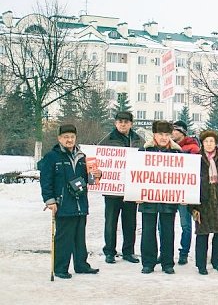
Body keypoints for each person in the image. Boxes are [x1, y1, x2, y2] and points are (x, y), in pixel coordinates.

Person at [39, 124, 102, 279]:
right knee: (63, 237)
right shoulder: (51, 157)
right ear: (59, 138)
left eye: (72, 137)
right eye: (66, 137)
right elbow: (46, 181)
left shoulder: (82, 157)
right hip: (63, 203)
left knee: (79, 237)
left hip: (80, 203)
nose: (69, 140)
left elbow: (90, 180)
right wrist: (50, 201)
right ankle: (60, 268)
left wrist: (97, 174)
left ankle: (81, 265)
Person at [98, 110, 144, 264]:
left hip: (130, 189)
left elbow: (145, 162)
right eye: (120, 122)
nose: (123, 124)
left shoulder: (139, 140)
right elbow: (97, 160)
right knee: (111, 222)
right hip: (112, 189)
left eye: (126, 122)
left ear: (131, 123)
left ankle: (129, 252)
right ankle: (109, 251)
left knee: (130, 222)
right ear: (115, 123)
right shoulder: (107, 140)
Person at [139, 120, 182, 274]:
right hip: (148, 198)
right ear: (154, 135)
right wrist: (136, 192)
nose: (164, 137)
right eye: (160, 134)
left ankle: (167, 262)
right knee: (148, 231)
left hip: (169, 199)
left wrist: (183, 193)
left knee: (168, 231)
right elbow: (136, 174)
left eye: (167, 134)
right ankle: (148, 262)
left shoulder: (177, 153)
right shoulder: (144, 151)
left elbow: (182, 177)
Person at [189, 130, 218, 275]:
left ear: (216, 143)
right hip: (202, 203)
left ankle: (217, 262)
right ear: (202, 143)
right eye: (206, 141)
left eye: (211, 141)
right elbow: (190, 182)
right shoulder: (195, 159)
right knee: (202, 235)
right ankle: (201, 265)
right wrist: (192, 206)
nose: (209, 144)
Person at [171, 120, 199, 266]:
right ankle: (165, 251)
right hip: (170, 190)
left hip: (184, 191)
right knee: (164, 224)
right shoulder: (168, 147)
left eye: (176, 130)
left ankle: (184, 253)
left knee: (185, 224)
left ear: (182, 132)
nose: (173, 133)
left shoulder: (192, 148)